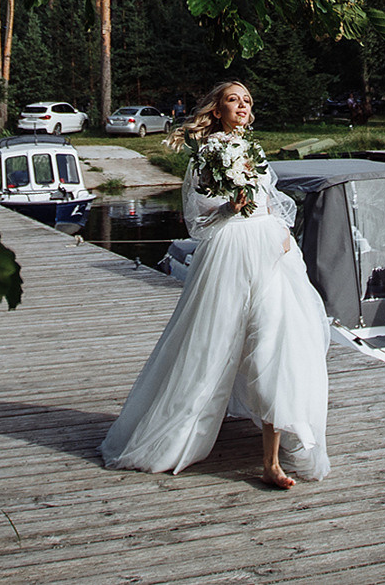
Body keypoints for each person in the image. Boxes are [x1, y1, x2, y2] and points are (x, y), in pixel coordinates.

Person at [100, 81, 330, 487]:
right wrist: (228, 206)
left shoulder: (254, 149)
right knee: (211, 342)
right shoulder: (208, 151)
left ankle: (271, 461)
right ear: (217, 109)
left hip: (273, 251)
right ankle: (183, 425)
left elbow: (271, 198)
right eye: (232, 99)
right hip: (232, 250)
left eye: (246, 100)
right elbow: (199, 216)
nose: (242, 105)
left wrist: (280, 230)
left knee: (278, 344)